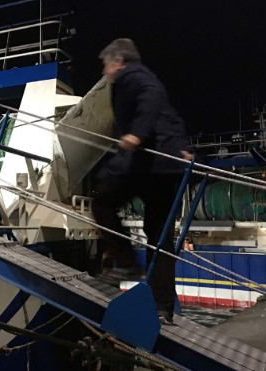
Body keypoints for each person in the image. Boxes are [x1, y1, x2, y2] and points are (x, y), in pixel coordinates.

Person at [92, 38, 193, 324]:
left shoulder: (132, 76)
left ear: (118, 62)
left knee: (101, 200)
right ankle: (162, 308)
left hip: (149, 163)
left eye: (105, 65)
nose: (104, 72)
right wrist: (181, 147)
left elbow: (150, 96)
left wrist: (136, 134)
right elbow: (169, 115)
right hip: (167, 164)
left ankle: (125, 263)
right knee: (159, 237)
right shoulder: (144, 76)